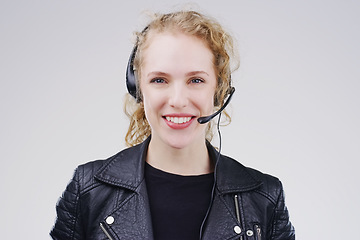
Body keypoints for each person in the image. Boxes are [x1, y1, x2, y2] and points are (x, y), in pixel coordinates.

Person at [50, 10, 295, 240]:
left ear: (219, 91)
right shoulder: (89, 190)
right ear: (138, 89)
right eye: (159, 80)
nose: (177, 100)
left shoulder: (265, 199)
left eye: (196, 80)